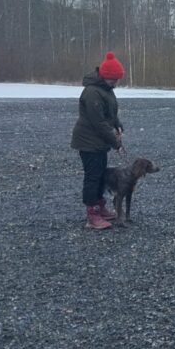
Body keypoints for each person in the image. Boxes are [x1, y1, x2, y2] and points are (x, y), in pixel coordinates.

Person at [70, 51, 126, 230]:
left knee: (101, 174)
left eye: (118, 79)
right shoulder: (92, 92)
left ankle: (100, 207)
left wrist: (118, 125)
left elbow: (110, 113)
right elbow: (99, 123)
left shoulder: (106, 90)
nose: (116, 83)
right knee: (93, 177)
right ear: (106, 76)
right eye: (114, 79)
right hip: (88, 141)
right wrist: (116, 143)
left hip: (99, 142)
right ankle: (92, 214)